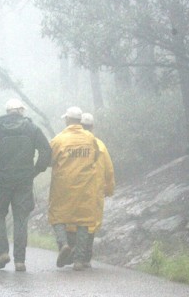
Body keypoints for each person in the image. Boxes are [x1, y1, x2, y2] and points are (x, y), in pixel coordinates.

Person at [0, 98, 51, 272]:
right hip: (24, 180)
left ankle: (2, 252)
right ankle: (20, 261)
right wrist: (36, 170)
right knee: (21, 218)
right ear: (21, 111)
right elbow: (46, 150)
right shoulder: (32, 128)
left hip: (1, 180)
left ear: (7, 112)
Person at [48, 106, 101, 271]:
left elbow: (49, 160)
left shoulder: (59, 139)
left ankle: (64, 244)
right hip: (85, 186)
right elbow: (96, 156)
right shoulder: (90, 138)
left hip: (63, 186)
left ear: (67, 120)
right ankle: (78, 261)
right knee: (83, 222)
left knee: (57, 216)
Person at [64, 112, 115, 269]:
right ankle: (85, 257)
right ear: (92, 127)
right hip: (94, 192)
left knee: (72, 222)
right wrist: (109, 189)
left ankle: (73, 252)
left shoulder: (71, 142)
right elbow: (109, 170)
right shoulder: (99, 144)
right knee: (90, 223)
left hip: (73, 189)